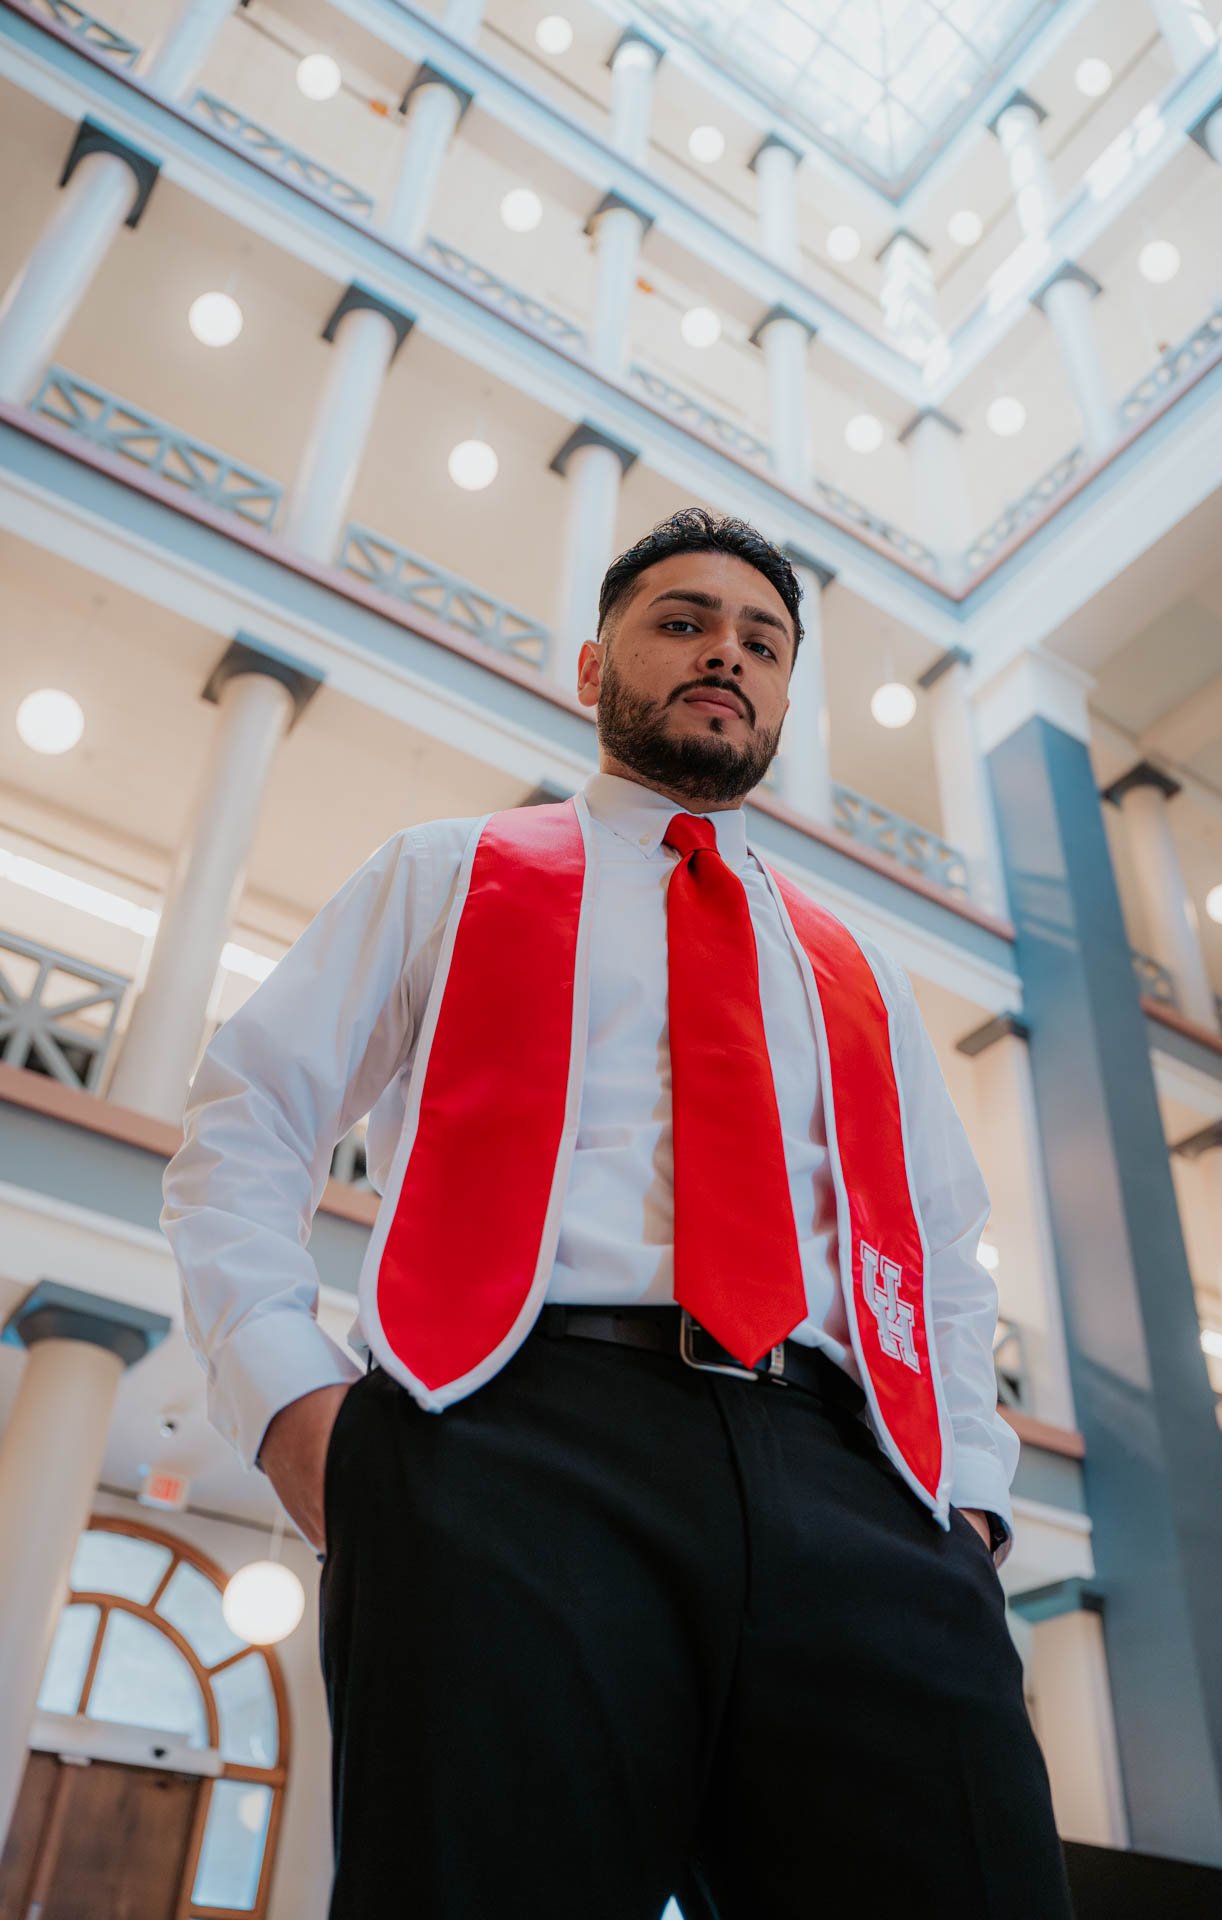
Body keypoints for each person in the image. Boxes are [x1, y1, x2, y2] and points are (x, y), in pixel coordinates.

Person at [160, 507, 1075, 1918]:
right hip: (513, 1446)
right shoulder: (449, 872)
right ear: (594, 669)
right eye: (684, 620)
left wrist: (966, 1514)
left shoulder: (856, 971)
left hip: (855, 1486)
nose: (727, 654)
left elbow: (941, 1254)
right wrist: (292, 1408)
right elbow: (246, 1122)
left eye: (762, 642)